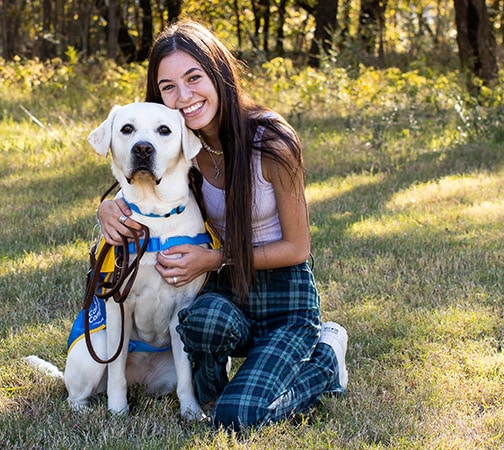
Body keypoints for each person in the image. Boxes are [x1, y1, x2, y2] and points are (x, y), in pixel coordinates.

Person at [97, 19, 348, 431]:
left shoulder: (271, 141)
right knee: (201, 336)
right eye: (168, 87)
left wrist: (214, 258)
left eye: (194, 78)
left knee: (237, 417)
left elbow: (298, 247)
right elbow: (136, 185)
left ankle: (326, 358)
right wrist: (106, 210)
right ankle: (218, 389)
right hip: (226, 294)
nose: (184, 97)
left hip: (284, 299)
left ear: (218, 73)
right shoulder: (180, 145)